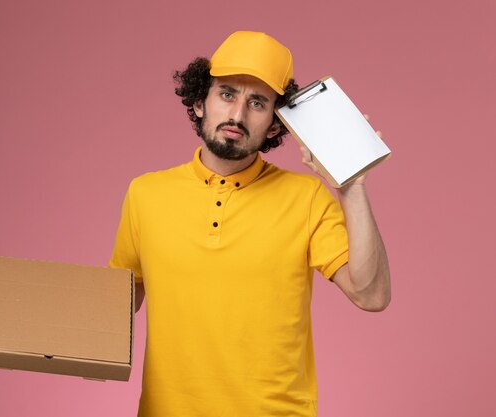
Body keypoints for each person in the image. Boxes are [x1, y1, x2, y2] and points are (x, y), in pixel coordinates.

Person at [110, 31, 391, 417]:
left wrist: (352, 187)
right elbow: (111, 312)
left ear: (276, 125)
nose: (237, 116)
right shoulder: (145, 194)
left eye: (257, 103)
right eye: (227, 94)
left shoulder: (305, 197)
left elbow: (371, 295)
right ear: (198, 103)